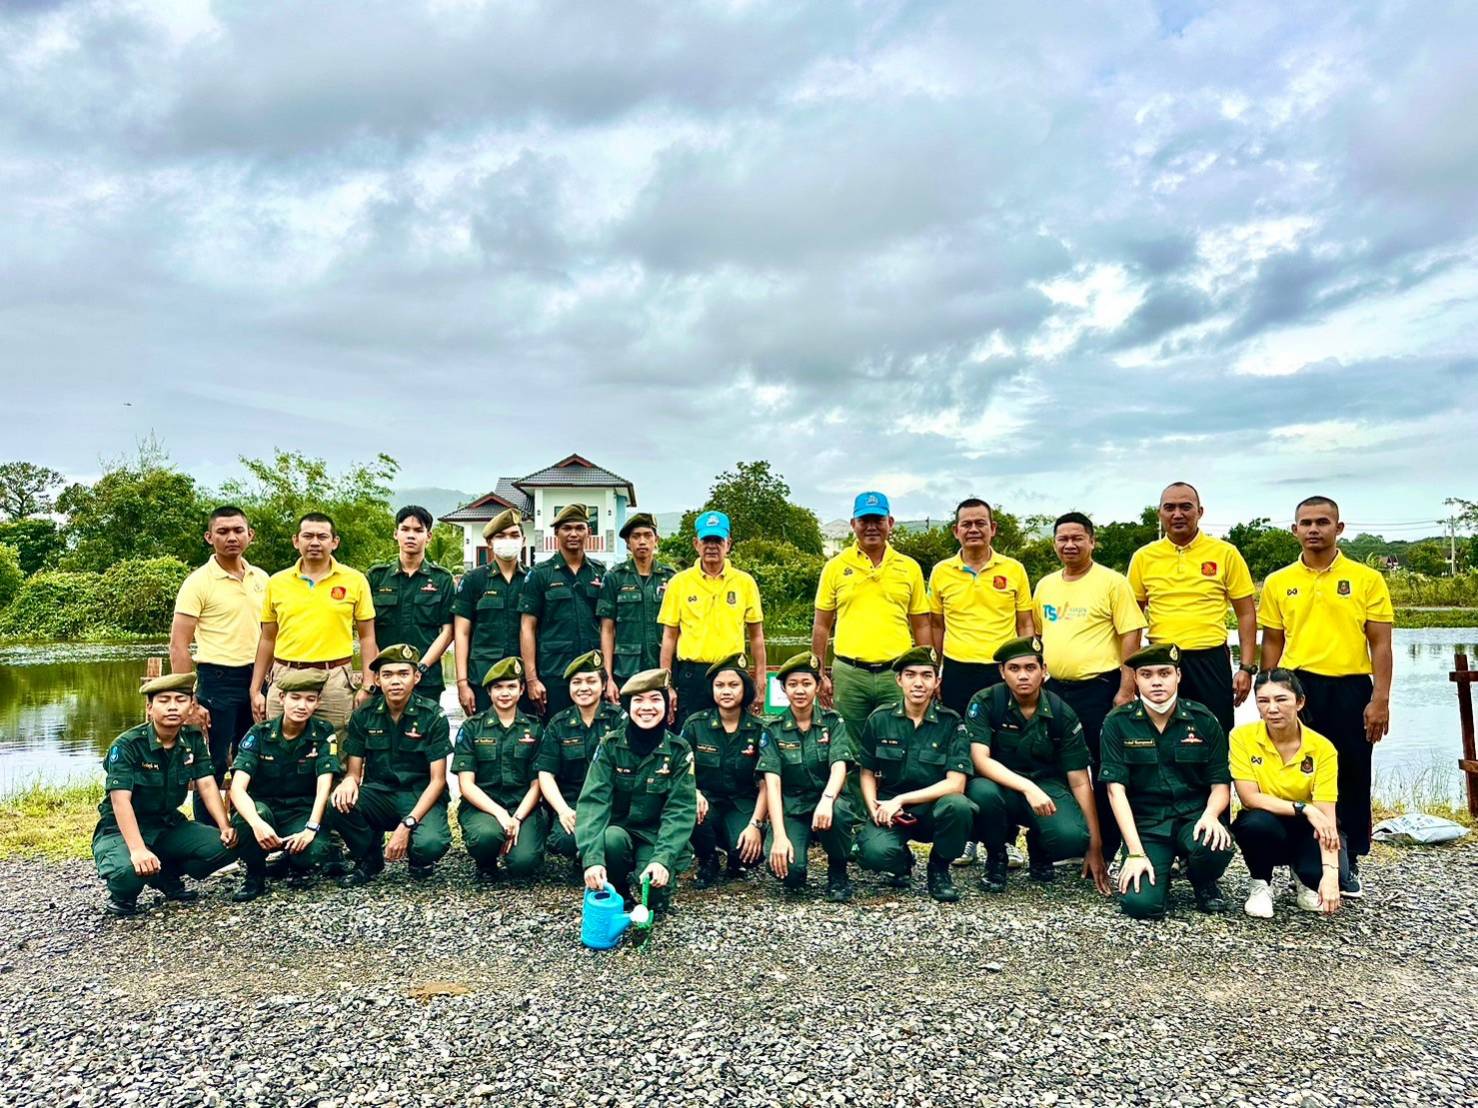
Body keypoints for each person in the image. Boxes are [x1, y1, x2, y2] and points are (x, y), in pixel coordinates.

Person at [1259, 495, 1393, 898]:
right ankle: (1304, 859)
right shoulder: (1280, 581)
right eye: (1306, 523)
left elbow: (1381, 645)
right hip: (1299, 686)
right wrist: (1268, 692)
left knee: (1351, 772)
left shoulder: (1367, 579)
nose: (1314, 529)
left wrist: (1380, 698)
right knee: (1299, 773)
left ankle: (1347, 856)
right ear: (1294, 530)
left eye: (1322, 522)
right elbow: (1272, 642)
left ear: (1339, 528)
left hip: (1351, 686)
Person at [1032, 511, 1146, 863]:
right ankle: (1068, 841)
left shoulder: (1112, 582)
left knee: (1102, 768)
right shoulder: (1046, 585)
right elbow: (1038, 634)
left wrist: (1127, 688)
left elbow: (1131, 634)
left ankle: (1107, 846)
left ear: (1092, 541)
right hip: (1055, 691)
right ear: (1054, 544)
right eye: (1062, 539)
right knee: (1057, 764)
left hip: (1100, 687)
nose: (1069, 544)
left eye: (1077, 538)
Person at [964, 636, 1111, 895]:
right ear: (1002, 671)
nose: (1023, 676)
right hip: (1000, 786)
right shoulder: (986, 702)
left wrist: (1095, 846)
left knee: (1073, 839)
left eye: (1030, 668)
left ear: (1044, 671)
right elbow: (980, 759)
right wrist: (1027, 787)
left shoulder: (1061, 712)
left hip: (1046, 787)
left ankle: (1040, 846)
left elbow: (1079, 779)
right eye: (1014, 669)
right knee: (980, 794)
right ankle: (996, 856)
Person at [1099, 643, 1235, 919]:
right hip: (1148, 825)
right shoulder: (1117, 722)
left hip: (1193, 819)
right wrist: (1135, 852)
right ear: (1135, 679)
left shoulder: (1203, 720)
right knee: (1141, 906)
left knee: (1215, 845)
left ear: (1178, 676)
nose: (1157, 681)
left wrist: (1211, 816)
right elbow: (1116, 792)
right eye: (1147, 675)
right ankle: (1158, 871)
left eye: (1165, 673)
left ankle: (1202, 879)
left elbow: (1220, 783)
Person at [92, 673, 238, 916]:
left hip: (167, 825)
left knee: (228, 846)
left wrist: (225, 826)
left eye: (180, 700)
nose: (173, 706)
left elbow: (207, 784)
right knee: (127, 873)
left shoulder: (192, 738)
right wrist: (138, 850)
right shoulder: (127, 745)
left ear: (191, 705)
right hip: (120, 828)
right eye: (164, 700)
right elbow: (120, 801)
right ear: (150, 708)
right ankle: (123, 896)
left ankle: (164, 874)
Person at [1127, 483, 1256, 734]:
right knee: (1162, 736)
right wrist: (1130, 673)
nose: (1177, 514)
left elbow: (1246, 613)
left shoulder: (1225, 553)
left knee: (1213, 734)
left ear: (1200, 511)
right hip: (1160, 661)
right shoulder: (1144, 557)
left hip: (1209, 658)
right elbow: (1131, 620)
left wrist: (1247, 668)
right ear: (1159, 514)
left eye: (1186, 507)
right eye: (1170, 508)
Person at [170, 504, 270, 822]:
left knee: (255, 760)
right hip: (217, 680)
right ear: (209, 536)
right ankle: (209, 836)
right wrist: (188, 701)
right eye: (223, 531)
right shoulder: (198, 582)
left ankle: (249, 833)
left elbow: (272, 635)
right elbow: (179, 645)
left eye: (238, 530)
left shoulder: (262, 579)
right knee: (212, 763)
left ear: (250, 535)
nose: (231, 537)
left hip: (257, 680)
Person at [854, 647, 973, 902]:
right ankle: (900, 861)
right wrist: (874, 807)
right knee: (873, 854)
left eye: (926, 675)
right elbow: (866, 772)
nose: (918, 683)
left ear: (937, 681)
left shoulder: (951, 722)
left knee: (959, 806)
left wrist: (902, 800)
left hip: (933, 809)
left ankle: (939, 868)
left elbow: (956, 783)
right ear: (899, 680)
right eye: (910, 675)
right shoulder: (880, 719)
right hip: (890, 810)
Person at [576, 668, 697, 914]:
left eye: (655, 699)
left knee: (654, 896)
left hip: (655, 835)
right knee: (611, 840)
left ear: (666, 704)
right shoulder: (610, 745)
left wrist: (662, 859)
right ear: (628, 706)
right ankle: (618, 889)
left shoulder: (679, 750)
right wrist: (592, 860)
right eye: (638, 700)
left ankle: (652, 885)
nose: (647, 707)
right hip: (619, 831)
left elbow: (680, 810)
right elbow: (593, 803)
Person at [1231, 669, 1347, 918]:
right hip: (1268, 819)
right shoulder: (1241, 738)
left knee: (1333, 877)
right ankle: (1261, 883)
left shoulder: (1322, 748)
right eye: (1263, 701)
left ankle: (1304, 878)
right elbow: (1249, 798)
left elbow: (1326, 818)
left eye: (1281, 699)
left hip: (1309, 826)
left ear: (1300, 701)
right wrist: (1304, 807)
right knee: (1254, 824)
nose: (1272, 708)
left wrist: (1330, 875)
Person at [333, 644, 452, 884]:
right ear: (377, 679)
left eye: (403, 674)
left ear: (416, 677)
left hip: (420, 794)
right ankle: (369, 858)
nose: (395, 682)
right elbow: (354, 773)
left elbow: (438, 781)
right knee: (336, 803)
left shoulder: (432, 715)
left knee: (430, 844)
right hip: (380, 794)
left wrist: (406, 825)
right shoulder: (364, 715)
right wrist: (347, 781)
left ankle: (418, 857)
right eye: (387, 675)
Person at [812, 491, 930, 733]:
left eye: (878, 520)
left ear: (890, 523)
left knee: (897, 740)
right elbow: (822, 624)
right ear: (854, 524)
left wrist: (927, 670)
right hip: (849, 674)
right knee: (849, 746)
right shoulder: (835, 567)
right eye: (865, 521)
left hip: (896, 673)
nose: (872, 527)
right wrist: (819, 672)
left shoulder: (909, 567)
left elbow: (921, 625)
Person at [251, 512, 378, 735]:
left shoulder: (355, 580)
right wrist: (255, 688)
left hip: (335, 679)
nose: (315, 542)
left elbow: (367, 636)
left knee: (335, 748)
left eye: (322, 536)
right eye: (308, 536)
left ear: (334, 542)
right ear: (296, 541)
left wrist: (368, 684)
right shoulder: (277, 582)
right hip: (285, 676)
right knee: (278, 747)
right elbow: (268, 638)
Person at [227, 669, 339, 902]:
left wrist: (311, 828)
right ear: (281, 699)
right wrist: (257, 824)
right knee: (249, 818)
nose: (302, 706)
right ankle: (255, 875)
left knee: (313, 853)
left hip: (301, 811)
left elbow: (324, 787)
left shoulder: (324, 733)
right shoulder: (259, 733)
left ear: (317, 702)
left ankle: (291, 862)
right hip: (265, 809)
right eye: (295, 698)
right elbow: (237, 788)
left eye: (310, 699)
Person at [757, 651, 859, 902]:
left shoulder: (833, 722)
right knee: (789, 873)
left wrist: (826, 799)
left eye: (806, 683)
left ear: (817, 686)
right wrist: (779, 835)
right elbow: (773, 783)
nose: (799, 690)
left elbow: (839, 765)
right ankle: (798, 861)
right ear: (783, 689)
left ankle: (838, 870)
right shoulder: (773, 729)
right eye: (792, 685)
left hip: (828, 803)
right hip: (793, 807)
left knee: (839, 812)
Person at [657, 511, 766, 726]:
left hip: (733, 674)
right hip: (692, 676)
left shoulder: (745, 582)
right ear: (696, 543)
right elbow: (669, 637)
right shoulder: (679, 583)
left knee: (735, 736)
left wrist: (760, 680)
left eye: (718, 540)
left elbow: (756, 637)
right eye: (707, 540)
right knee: (690, 735)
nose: (712, 546)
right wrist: (666, 685)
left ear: (728, 544)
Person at [928, 498, 1034, 715]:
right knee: (959, 733)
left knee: (1004, 735)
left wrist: (1027, 666)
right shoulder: (941, 571)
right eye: (966, 525)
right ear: (956, 531)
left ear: (992, 528)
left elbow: (1025, 623)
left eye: (980, 523)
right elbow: (936, 626)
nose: (973, 529)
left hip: (1002, 668)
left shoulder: (1014, 569)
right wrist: (933, 671)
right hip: (957, 668)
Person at [451, 657, 548, 882]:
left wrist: (518, 817)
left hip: (523, 806)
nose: (505, 693)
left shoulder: (534, 728)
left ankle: (521, 849)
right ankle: (486, 862)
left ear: (522, 689)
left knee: (524, 864)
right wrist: (500, 814)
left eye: (511, 686)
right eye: (498, 687)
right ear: (489, 691)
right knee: (486, 836)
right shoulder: (472, 727)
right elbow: (466, 785)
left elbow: (537, 783)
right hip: (482, 807)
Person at [680, 653, 768, 888]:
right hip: (706, 802)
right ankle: (707, 859)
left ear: (744, 689)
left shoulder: (759, 730)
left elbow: (767, 783)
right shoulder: (695, 725)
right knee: (689, 809)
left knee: (749, 855)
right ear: (712, 690)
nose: (726, 691)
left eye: (733, 685)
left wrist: (756, 825)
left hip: (742, 803)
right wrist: (694, 793)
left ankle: (733, 858)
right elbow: (682, 769)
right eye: (720, 685)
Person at [536, 650, 625, 875]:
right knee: (563, 841)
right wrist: (563, 810)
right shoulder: (559, 723)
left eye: (591, 681)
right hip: (574, 803)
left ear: (603, 685)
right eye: (576, 682)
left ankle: (600, 857)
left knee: (615, 838)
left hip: (612, 801)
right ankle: (580, 854)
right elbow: (545, 773)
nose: (583, 687)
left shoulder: (619, 720)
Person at [520, 504, 606, 721]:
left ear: (589, 531)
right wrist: (532, 679)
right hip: (554, 673)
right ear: (556, 533)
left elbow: (608, 627)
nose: (574, 533)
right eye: (567, 528)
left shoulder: (601, 573)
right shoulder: (540, 574)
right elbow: (527, 627)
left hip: (592, 671)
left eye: (580, 527)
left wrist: (608, 676)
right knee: (555, 734)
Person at [367, 506, 456, 708]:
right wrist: (381, 666)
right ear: (395, 534)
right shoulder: (377, 577)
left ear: (429, 536)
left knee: (424, 736)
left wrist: (421, 667)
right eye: (405, 529)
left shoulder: (442, 579)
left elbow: (448, 631)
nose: (411, 535)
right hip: (383, 678)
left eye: (418, 530)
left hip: (426, 678)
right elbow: (366, 629)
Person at [453, 509, 529, 716]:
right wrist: (462, 683)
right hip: (483, 677)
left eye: (514, 535)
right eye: (501, 536)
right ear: (489, 542)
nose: (508, 540)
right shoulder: (473, 580)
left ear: (524, 540)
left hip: (524, 679)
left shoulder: (534, 579)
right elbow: (461, 633)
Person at [597, 512, 677, 700]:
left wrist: (673, 682)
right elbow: (607, 630)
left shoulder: (671, 577)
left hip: (662, 669)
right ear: (627, 543)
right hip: (625, 671)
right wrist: (608, 678)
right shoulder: (614, 577)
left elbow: (676, 630)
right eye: (636, 536)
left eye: (647, 535)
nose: (642, 541)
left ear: (656, 540)